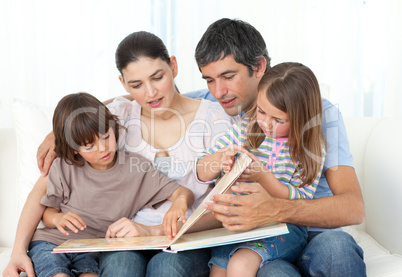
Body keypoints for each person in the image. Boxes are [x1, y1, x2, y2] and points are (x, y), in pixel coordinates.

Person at [3, 32, 234, 277]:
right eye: (136, 85)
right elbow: (83, 120)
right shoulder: (119, 116)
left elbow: (229, 206)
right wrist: (56, 133)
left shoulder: (215, 121)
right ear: (123, 84)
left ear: (173, 66)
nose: (151, 93)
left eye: (158, 77)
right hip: (126, 237)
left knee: (167, 269)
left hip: (185, 236)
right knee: (120, 269)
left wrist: (155, 230)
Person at [188, 18, 366, 276]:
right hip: (251, 238)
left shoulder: (317, 112)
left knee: (337, 247)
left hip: (309, 232)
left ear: (259, 66)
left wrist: (271, 207)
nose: (218, 91)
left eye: (228, 76)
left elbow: (353, 208)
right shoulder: (211, 102)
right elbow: (160, 96)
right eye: (209, 80)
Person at [28, 92, 194, 277]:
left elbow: (182, 192)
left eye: (106, 136)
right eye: (89, 146)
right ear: (75, 150)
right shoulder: (64, 167)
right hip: (51, 244)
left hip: (90, 250)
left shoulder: (136, 167)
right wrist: (57, 219)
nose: (102, 148)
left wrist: (180, 203)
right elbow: (48, 212)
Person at [196, 62, 326, 277]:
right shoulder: (245, 129)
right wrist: (221, 160)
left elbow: (301, 200)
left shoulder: (311, 148)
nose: (266, 123)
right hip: (238, 224)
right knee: (219, 270)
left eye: (278, 120)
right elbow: (201, 167)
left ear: (301, 118)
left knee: (239, 265)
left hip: (284, 228)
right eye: (262, 111)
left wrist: (263, 177)